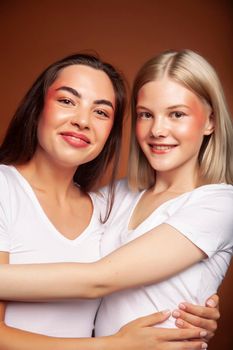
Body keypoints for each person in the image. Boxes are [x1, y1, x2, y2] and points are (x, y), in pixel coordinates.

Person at [0, 51, 221, 350]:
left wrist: (198, 315)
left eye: (101, 112)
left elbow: (101, 285)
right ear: (37, 107)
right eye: (67, 100)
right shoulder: (112, 199)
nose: (82, 121)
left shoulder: (102, 207)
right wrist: (113, 345)